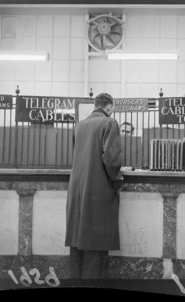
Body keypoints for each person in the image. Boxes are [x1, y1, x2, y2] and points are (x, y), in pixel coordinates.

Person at [65, 93, 123, 279]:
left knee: (78, 241)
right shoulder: (110, 123)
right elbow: (112, 159)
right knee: (95, 244)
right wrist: (117, 180)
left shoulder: (79, 125)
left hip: (77, 189)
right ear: (109, 107)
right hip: (98, 188)